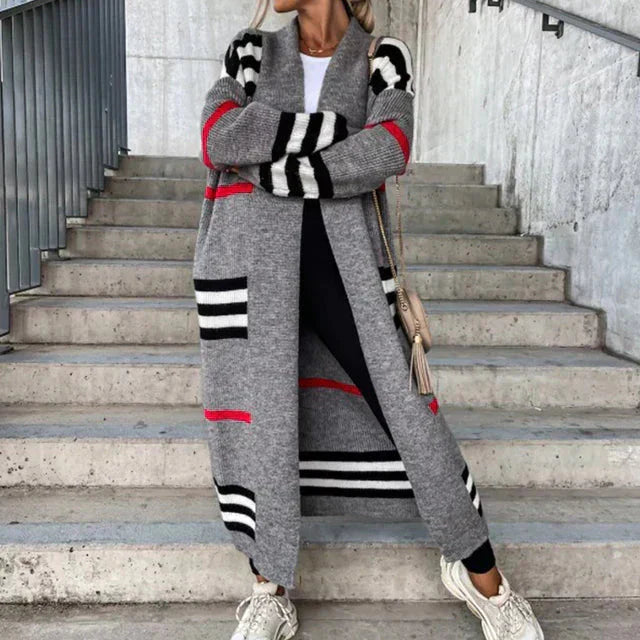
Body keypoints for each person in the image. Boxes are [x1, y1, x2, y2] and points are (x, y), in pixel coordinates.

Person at [194, 1, 545, 639]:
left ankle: (483, 577)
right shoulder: (252, 51)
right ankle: (269, 589)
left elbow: (389, 147)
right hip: (253, 266)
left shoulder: (383, 57)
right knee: (265, 422)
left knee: (409, 411)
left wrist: (275, 151)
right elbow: (218, 137)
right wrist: (333, 133)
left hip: (347, 267)